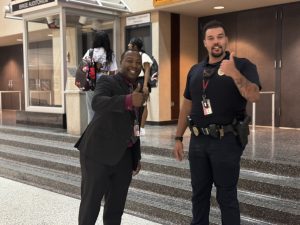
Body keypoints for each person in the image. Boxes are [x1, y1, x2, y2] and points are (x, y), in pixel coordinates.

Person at [173, 20, 261, 225]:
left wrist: (234, 73)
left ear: (226, 39)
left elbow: (255, 96)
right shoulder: (195, 70)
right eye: (211, 38)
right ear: (204, 42)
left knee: (226, 196)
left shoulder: (242, 65)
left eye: (220, 37)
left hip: (226, 141)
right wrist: (178, 137)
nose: (216, 42)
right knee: (199, 195)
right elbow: (187, 105)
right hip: (198, 142)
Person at [74, 49, 147, 225]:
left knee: (116, 207)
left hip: (124, 156)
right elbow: (97, 102)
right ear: (120, 62)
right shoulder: (108, 81)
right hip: (97, 153)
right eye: (130, 61)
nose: (134, 66)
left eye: (138, 63)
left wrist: (136, 156)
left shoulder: (137, 89)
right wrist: (129, 100)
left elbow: (135, 125)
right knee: (91, 204)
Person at [78, 31, 118, 123]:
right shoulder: (110, 54)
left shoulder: (90, 52)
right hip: (105, 83)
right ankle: (102, 131)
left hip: (91, 82)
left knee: (91, 109)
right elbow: (113, 72)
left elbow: (82, 67)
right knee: (104, 108)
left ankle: (91, 132)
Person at [128, 37, 153, 136]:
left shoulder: (144, 56)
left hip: (141, 81)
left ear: (135, 46)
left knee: (143, 104)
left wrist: (145, 85)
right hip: (133, 81)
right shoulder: (130, 56)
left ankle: (142, 128)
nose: (128, 45)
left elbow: (147, 71)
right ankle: (135, 127)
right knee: (134, 104)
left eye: (130, 43)